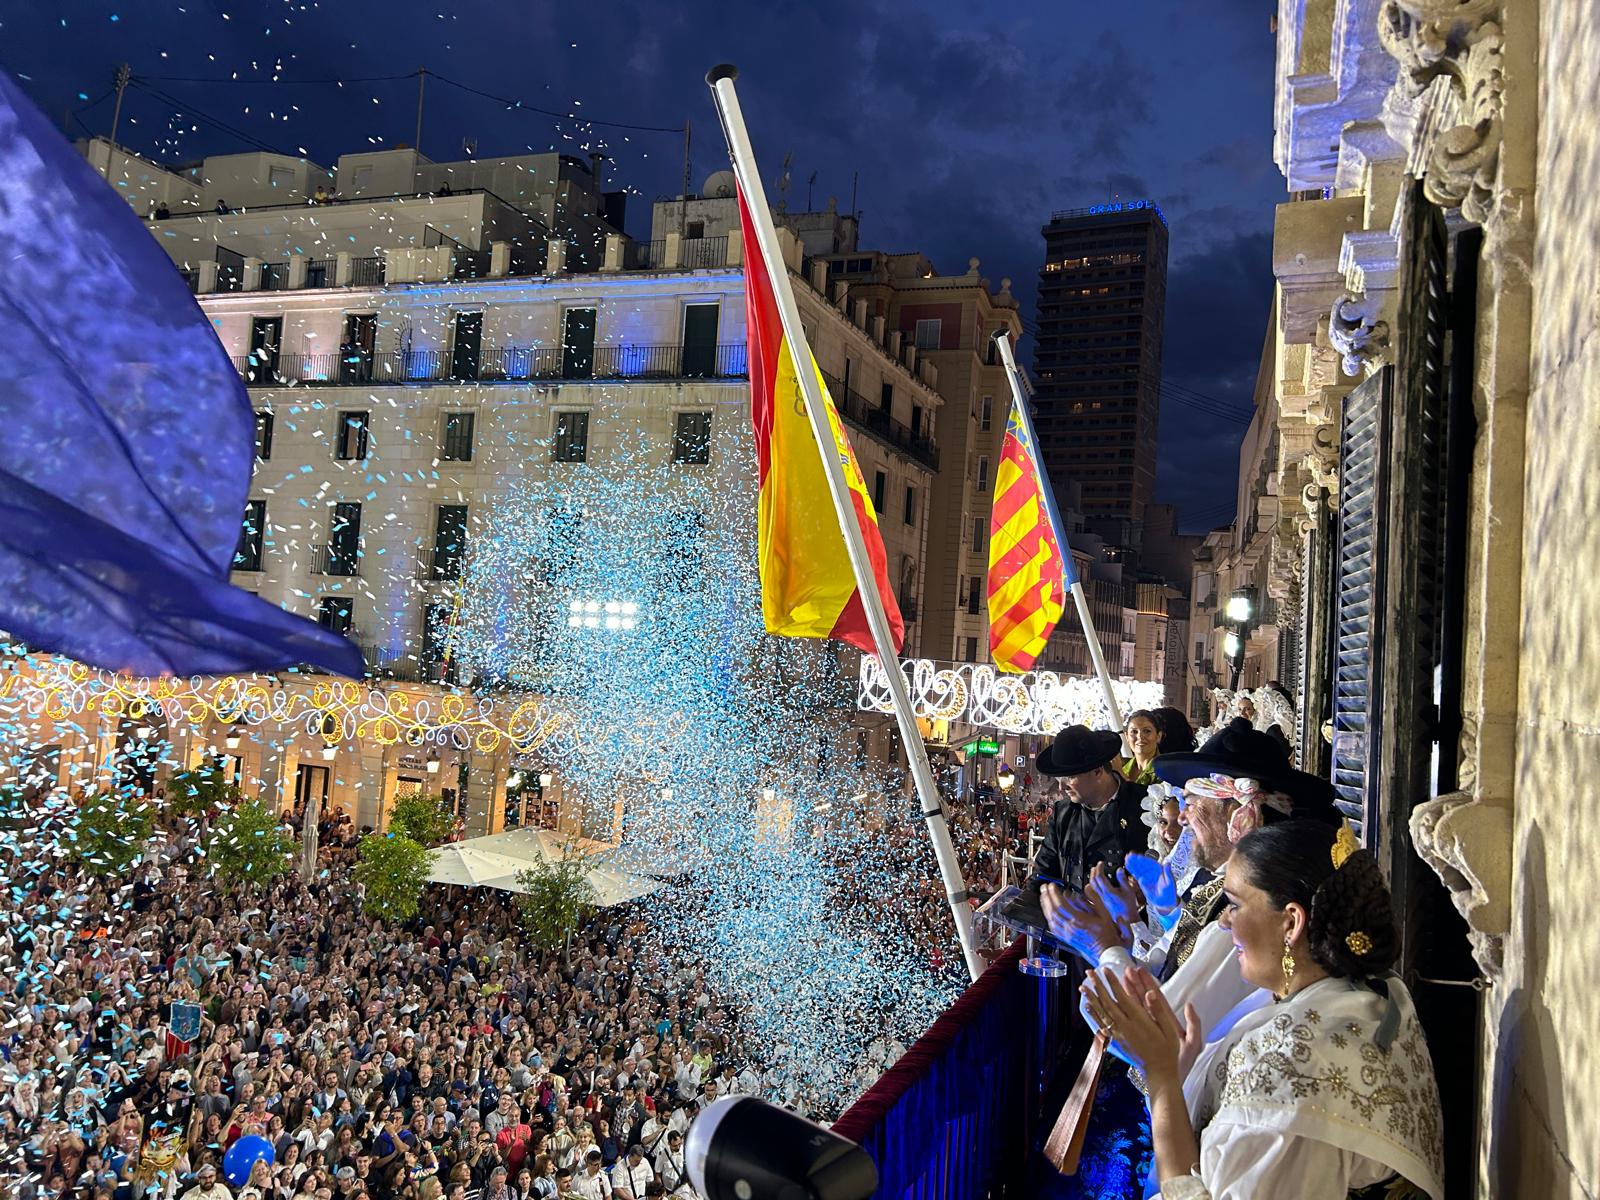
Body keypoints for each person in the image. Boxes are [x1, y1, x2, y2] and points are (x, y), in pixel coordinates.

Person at [1083, 820, 1444, 1199]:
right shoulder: (1365, 995)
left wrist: (1160, 1076)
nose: (1225, 920)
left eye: (1236, 905)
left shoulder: (1295, 1068)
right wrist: (1176, 1072)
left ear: (1291, 922)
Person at [1030, 725, 1149, 893]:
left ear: (1098, 771)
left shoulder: (1144, 806)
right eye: (1059, 777)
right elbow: (1043, 874)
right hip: (1073, 917)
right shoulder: (1062, 813)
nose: (1062, 786)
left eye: (1070, 777)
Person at [1119, 711, 1163, 785]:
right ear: (1127, 737)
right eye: (1134, 731)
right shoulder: (1122, 766)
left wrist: (1120, 775)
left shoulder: (1166, 770)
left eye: (1147, 731)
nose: (1140, 736)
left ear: (1158, 736)